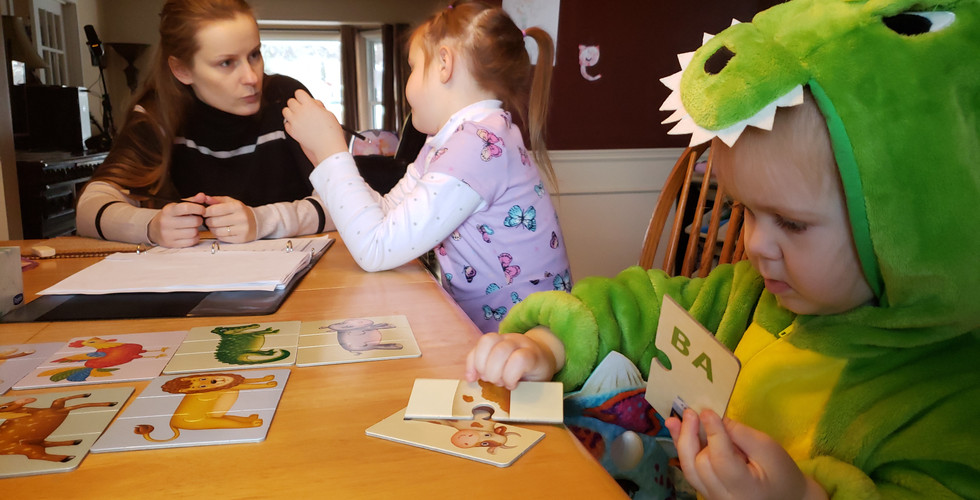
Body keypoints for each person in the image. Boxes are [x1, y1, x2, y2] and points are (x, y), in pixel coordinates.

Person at [464, 0, 980, 498]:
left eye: (792, 223)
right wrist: (548, 343)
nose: (754, 245)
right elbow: (642, 305)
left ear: (913, 223)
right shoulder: (748, 296)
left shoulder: (952, 402)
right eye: (745, 211)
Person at [283, 1, 572, 333]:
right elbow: (388, 212)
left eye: (413, 67)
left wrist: (332, 152)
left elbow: (375, 249)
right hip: (491, 336)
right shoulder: (447, 143)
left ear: (444, 64)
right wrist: (324, 158)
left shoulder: (478, 146)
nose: (408, 83)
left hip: (523, 343)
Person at [76, 0, 332, 248]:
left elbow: (348, 201)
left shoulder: (288, 100)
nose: (251, 77)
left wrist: (262, 221)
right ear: (182, 69)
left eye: (254, 54)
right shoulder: (156, 114)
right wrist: (151, 226)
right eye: (226, 63)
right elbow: (88, 209)